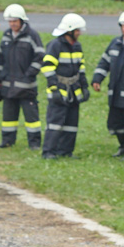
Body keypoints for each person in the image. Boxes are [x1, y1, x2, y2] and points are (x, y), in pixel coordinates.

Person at [92, 10, 124, 159]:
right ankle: (123, 146)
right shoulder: (114, 43)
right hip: (115, 93)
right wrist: (97, 79)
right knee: (115, 123)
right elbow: (104, 62)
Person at [40, 13, 89, 159]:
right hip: (59, 90)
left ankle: (65, 151)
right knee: (55, 123)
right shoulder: (55, 45)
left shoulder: (77, 46)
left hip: (74, 90)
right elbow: (47, 67)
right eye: (77, 30)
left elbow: (81, 67)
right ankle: (48, 151)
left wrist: (84, 86)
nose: (79, 33)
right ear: (69, 30)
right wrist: (54, 89)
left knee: (71, 124)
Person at [0, 3, 43, 150]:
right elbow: (0, 58)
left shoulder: (32, 35)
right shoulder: (6, 36)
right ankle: (7, 141)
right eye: (10, 21)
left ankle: (34, 144)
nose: (12, 24)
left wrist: (29, 74)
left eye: (14, 21)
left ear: (22, 20)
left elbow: (40, 57)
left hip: (26, 87)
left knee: (31, 118)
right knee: (8, 117)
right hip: (8, 86)